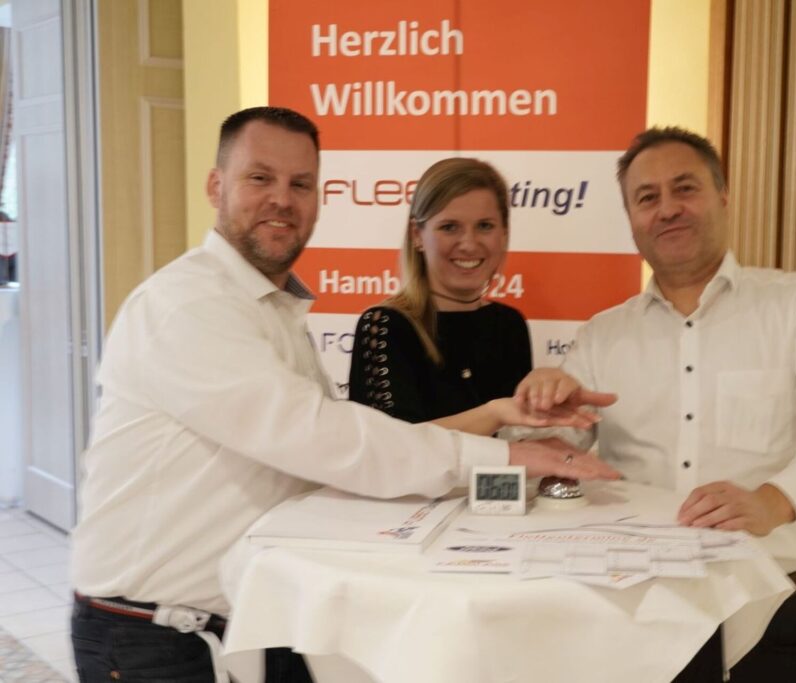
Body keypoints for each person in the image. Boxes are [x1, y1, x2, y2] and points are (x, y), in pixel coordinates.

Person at [69, 106, 619, 683]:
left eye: (300, 184)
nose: (282, 199)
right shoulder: (188, 304)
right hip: (154, 636)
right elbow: (325, 439)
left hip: (252, 617)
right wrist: (507, 453)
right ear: (215, 186)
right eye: (260, 178)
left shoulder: (274, 312)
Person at [515, 127, 796, 683]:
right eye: (647, 197)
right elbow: (552, 457)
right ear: (632, 219)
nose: (667, 208)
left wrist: (777, 500)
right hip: (636, 610)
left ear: (722, 195)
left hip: (772, 605)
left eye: (685, 188)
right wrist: (538, 415)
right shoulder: (601, 336)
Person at [349, 157, 544, 435]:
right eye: (450, 227)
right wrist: (495, 413)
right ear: (417, 235)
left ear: (503, 234)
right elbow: (389, 445)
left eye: (485, 226)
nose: (469, 244)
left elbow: (518, 443)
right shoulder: (385, 326)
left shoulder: (509, 324)